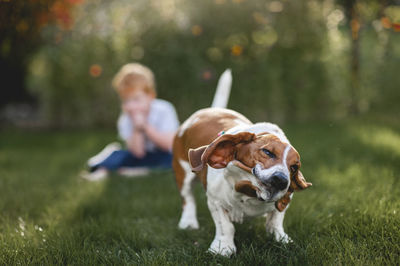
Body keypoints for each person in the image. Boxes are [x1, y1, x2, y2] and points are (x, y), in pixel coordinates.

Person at [81, 63, 180, 181]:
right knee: (119, 155)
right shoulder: (126, 118)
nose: (131, 106)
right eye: (126, 101)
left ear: (150, 96)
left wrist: (146, 127)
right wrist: (137, 129)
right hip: (141, 156)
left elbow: (168, 145)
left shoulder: (164, 109)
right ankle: (103, 169)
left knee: (175, 159)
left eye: (136, 99)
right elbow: (137, 153)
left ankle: (139, 169)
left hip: (166, 154)